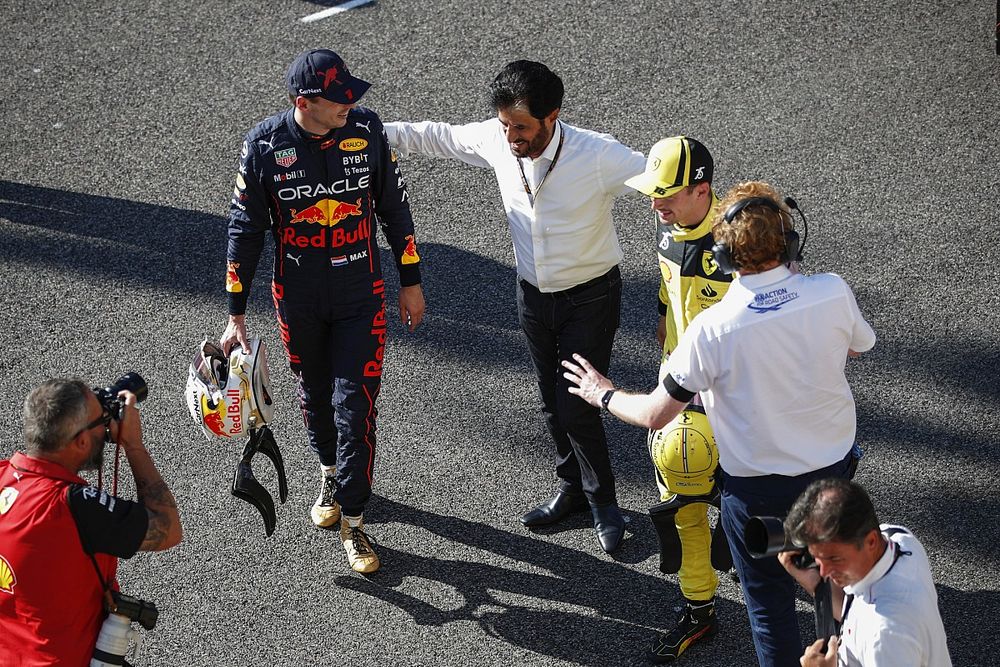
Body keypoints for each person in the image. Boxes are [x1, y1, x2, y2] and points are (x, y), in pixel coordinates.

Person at [561, 180, 877, 667]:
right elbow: (858, 346)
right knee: (840, 583)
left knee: (771, 607)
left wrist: (601, 391)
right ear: (791, 241)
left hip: (757, 496)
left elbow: (654, 415)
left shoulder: (712, 330)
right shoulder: (832, 291)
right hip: (835, 480)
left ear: (725, 257)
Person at [383, 60, 644, 553]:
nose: (510, 137)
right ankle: (572, 488)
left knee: (578, 402)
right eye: (504, 125)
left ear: (553, 116)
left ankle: (603, 503)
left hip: (590, 297)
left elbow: (664, 178)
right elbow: (437, 136)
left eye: (521, 127)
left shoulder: (597, 154)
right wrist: (372, 130)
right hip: (532, 296)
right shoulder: (498, 138)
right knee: (551, 402)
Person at [221, 48, 425, 574]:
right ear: (303, 102)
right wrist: (235, 313)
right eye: (338, 98)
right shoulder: (264, 145)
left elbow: (394, 209)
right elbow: (245, 230)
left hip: (362, 292)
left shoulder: (367, 129)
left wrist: (411, 280)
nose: (350, 104)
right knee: (313, 396)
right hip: (299, 297)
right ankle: (330, 472)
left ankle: (355, 523)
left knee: (354, 405)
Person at [624, 136, 732, 662]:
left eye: (664, 194)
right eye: (652, 194)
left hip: (734, 405)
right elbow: (669, 304)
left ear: (702, 190)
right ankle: (699, 610)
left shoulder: (741, 246)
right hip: (680, 392)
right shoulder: (668, 229)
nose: (654, 205)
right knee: (684, 506)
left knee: (761, 513)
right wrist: (668, 374)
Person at [0, 379, 182, 665]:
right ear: (82, 441)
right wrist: (134, 446)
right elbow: (168, 529)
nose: (107, 424)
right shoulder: (72, 505)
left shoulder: (3, 478)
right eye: (101, 420)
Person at [780, 478, 952, 667]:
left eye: (834, 558)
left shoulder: (885, 637)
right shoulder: (898, 538)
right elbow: (858, 614)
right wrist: (815, 584)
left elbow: (872, 626)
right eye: (816, 557)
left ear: (871, 541)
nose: (824, 571)